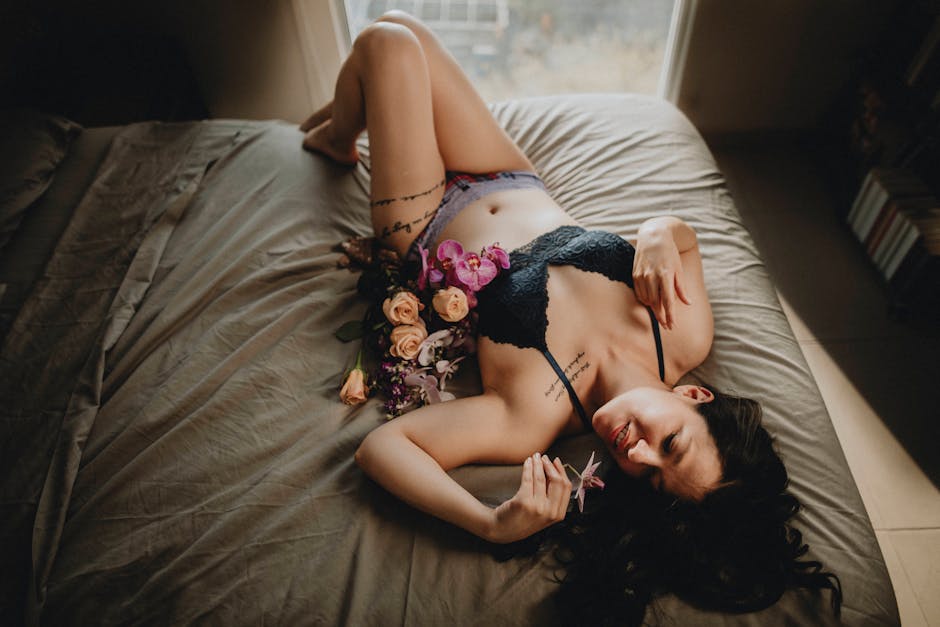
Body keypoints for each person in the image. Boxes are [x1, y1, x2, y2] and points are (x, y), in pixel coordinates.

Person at [301, 11, 841, 624]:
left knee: (387, 41)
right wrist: (660, 232)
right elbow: (683, 242)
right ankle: (341, 132)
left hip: (423, 220)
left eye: (652, 480)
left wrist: (491, 523)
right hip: (509, 173)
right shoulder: (682, 333)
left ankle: (337, 134)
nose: (637, 456)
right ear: (693, 394)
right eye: (672, 443)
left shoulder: (531, 417)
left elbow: (380, 448)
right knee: (404, 23)